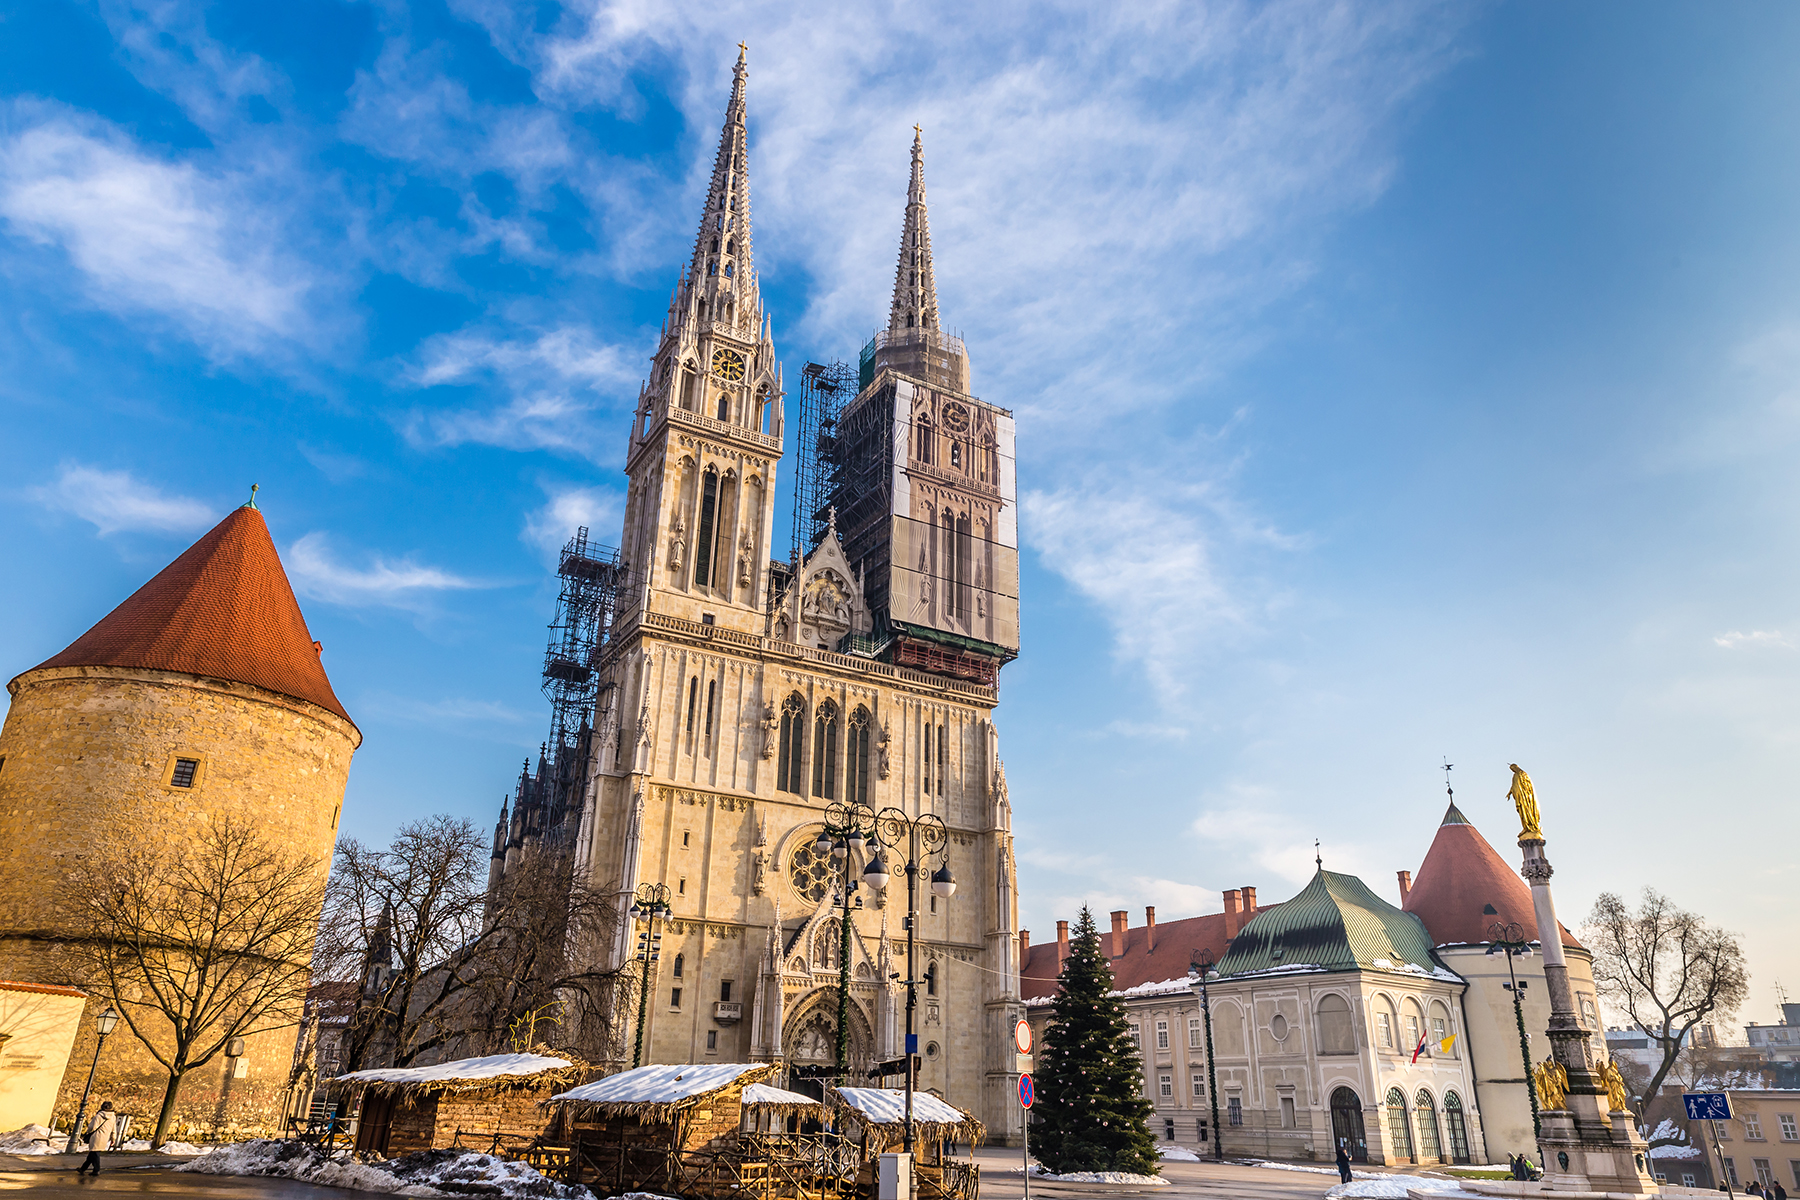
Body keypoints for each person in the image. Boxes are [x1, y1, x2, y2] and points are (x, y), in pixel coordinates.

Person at [77, 1101, 116, 1175]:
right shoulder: (113, 1117)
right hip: (105, 1137)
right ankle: (83, 1168)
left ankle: (96, 1170)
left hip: (96, 1136)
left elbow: (92, 1127)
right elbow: (114, 1129)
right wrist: (113, 1139)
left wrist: (88, 1132)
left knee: (95, 1153)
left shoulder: (99, 1116)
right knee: (92, 1154)